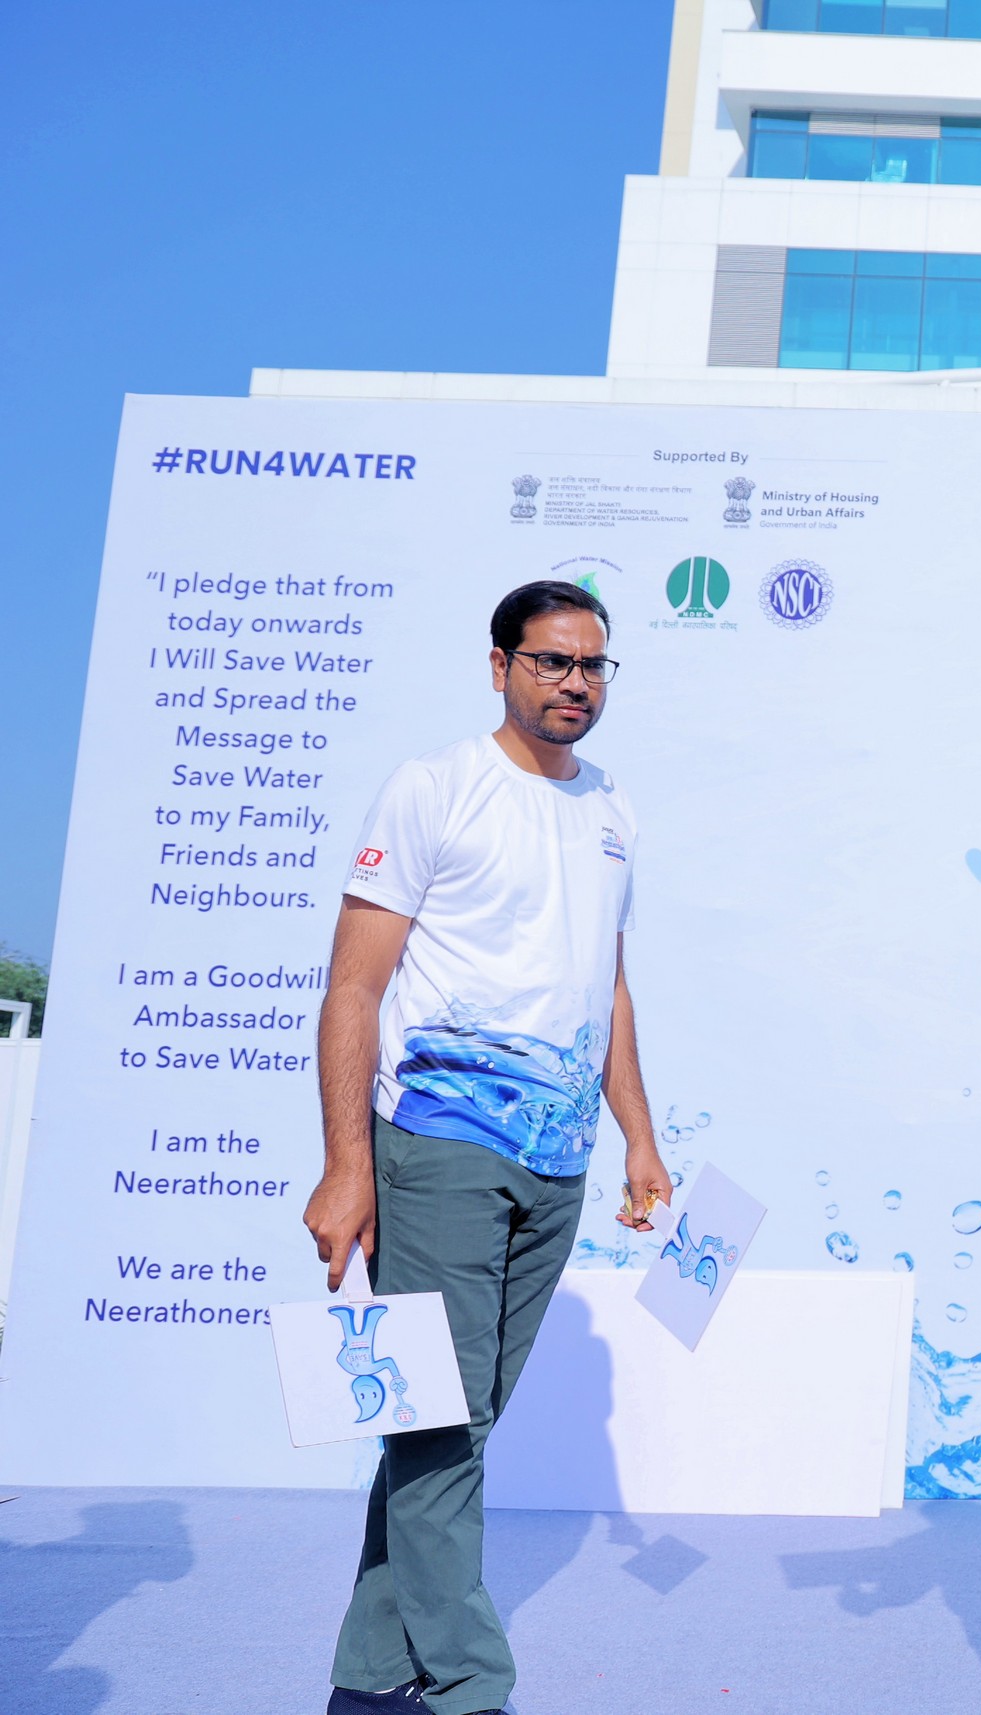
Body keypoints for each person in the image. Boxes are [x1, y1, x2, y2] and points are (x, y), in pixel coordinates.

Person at [302, 580, 671, 1715]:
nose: (576, 683)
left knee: (452, 1425)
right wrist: (348, 1163)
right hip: (441, 1145)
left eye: (593, 664)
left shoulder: (613, 807)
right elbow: (354, 986)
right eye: (553, 660)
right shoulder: (435, 786)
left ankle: (369, 1675)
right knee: (438, 1419)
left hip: (558, 1162)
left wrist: (640, 1139)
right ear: (501, 664)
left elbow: (605, 984)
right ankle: (469, 1684)